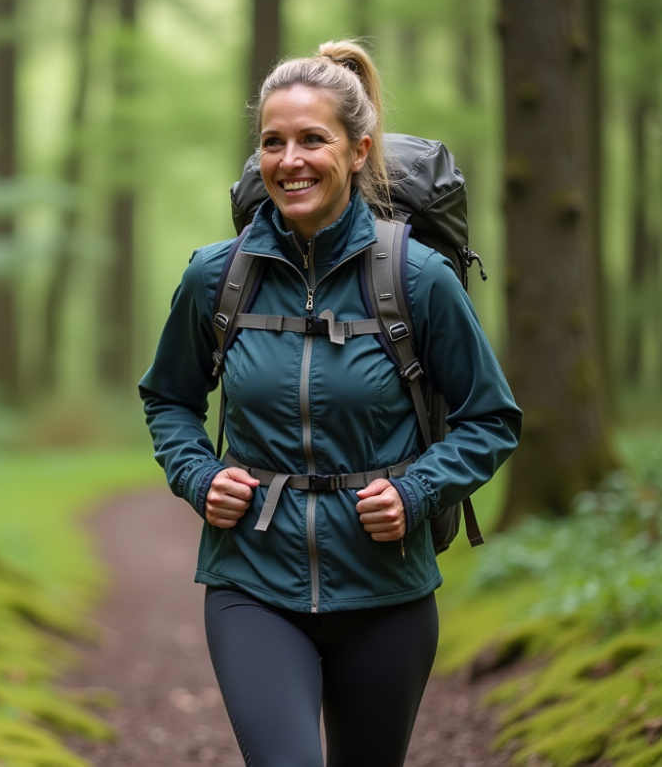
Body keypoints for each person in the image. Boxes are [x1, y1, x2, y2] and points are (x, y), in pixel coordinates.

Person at [138, 40, 521, 767]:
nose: (290, 160)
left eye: (313, 139)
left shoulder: (417, 278)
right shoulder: (217, 278)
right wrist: (198, 476)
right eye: (272, 142)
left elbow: (492, 418)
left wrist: (417, 491)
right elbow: (168, 399)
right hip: (251, 582)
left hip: (387, 591)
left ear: (358, 150)